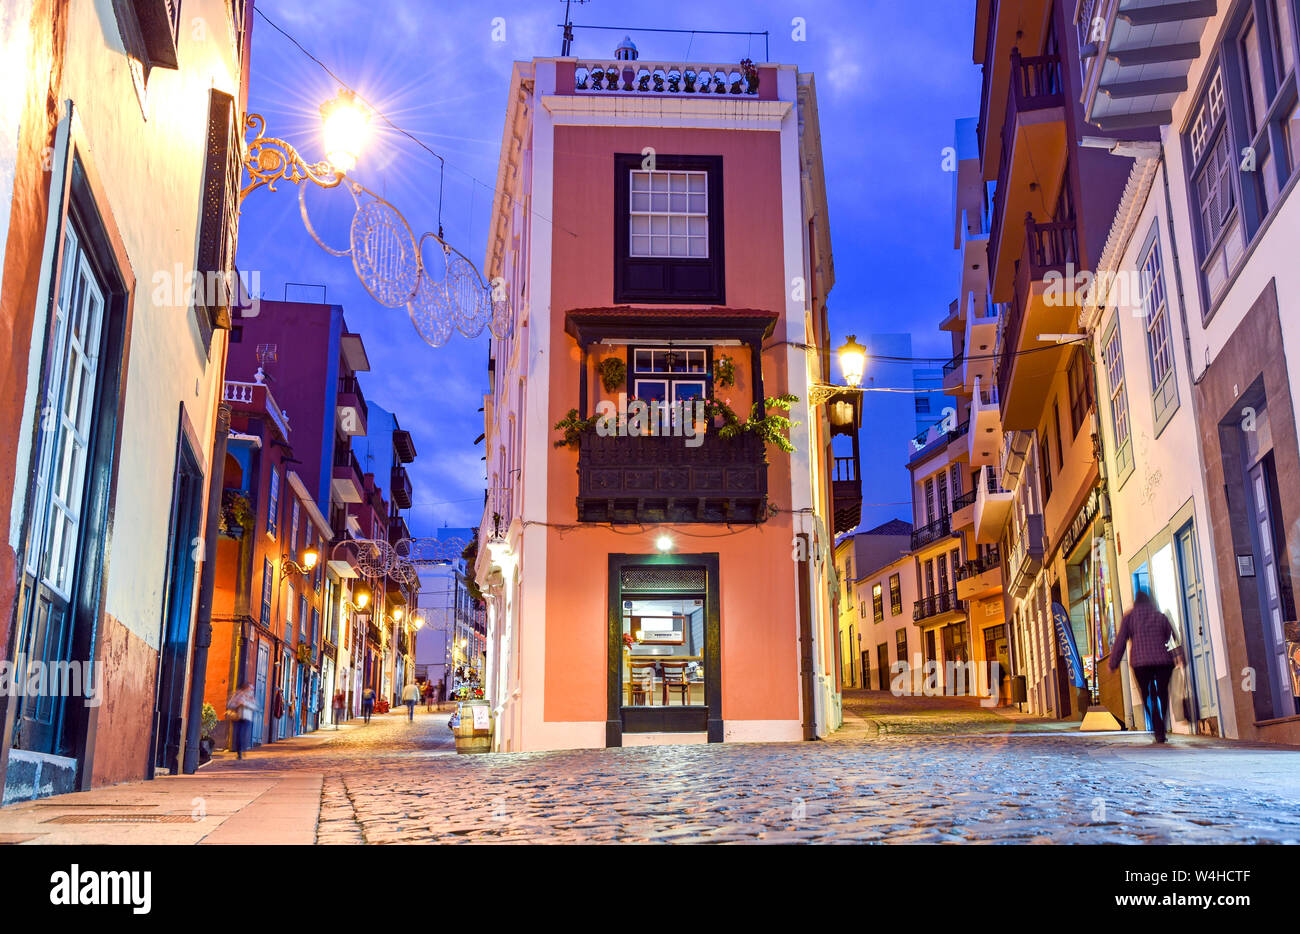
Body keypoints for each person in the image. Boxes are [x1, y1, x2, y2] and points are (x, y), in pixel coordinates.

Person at [1109, 590, 1182, 743]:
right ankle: (1162, 722)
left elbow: (1121, 641)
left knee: (1147, 695)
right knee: (1163, 693)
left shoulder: (1129, 618)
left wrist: (1113, 663)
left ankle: (1157, 727)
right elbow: (1169, 635)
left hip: (1140, 663)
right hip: (1162, 661)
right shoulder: (1160, 616)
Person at [226, 682, 257, 760]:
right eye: (248, 688)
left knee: (242, 735)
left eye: (250, 688)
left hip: (247, 718)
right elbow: (230, 704)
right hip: (237, 717)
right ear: (244, 687)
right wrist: (237, 704)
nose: (250, 690)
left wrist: (245, 704)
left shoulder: (251, 696)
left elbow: (254, 707)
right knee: (238, 735)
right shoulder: (237, 695)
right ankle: (239, 752)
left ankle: (242, 750)